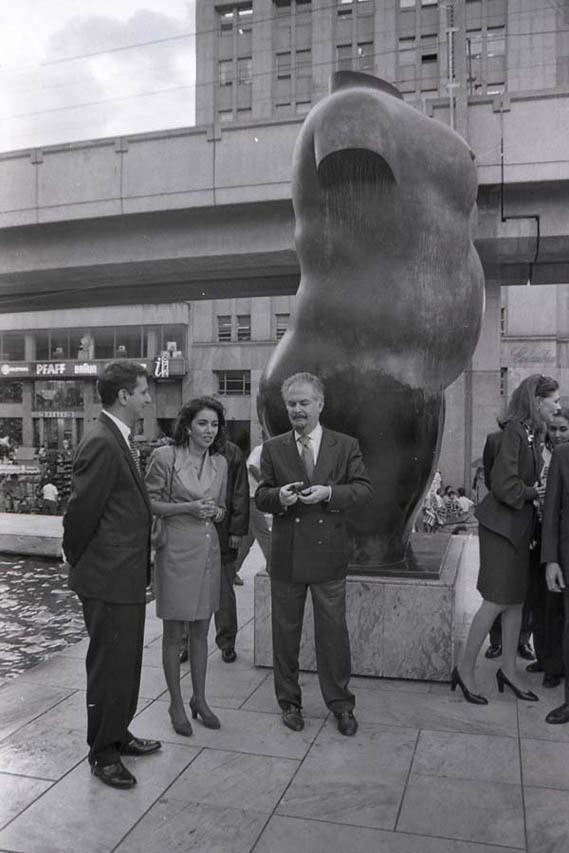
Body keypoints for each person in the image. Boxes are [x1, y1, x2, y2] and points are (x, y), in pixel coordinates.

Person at [256, 372, 372, 736]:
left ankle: (341, 705)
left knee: (333, 635)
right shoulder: (273, 448)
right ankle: (289, 702)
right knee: (285, 635)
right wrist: (280, 498)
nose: (297, 410)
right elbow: (261, 495)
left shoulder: (346, 445)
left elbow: (364, 490)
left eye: (304, 403)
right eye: (291, 404)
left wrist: (329, 494)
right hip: (287, 557)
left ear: (320, 404)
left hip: (329, 558)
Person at [63, 361, 160, 790]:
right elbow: (81, 512)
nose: (148, 398)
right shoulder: (103, 442)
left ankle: (118, 734)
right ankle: (103, 754)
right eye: (143, 391)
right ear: (123, 395)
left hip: (122, 576)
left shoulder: (117, 438)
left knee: (125, 664)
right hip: (107, 578)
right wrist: (75, 558)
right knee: (109, 666)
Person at [452, 374, 560, 705]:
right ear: (537, 401)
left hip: (516, 528)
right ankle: (464, 669)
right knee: (497, 601)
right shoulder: (515, 430)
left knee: (515, 602)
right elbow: (504, 484)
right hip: (502, 529)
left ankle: (509, 670)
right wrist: (535, 492)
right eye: (553, 400)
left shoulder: (533, 433)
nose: (558, 406)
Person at [145, 398, 228, 737]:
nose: (210, 431)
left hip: (208, 551)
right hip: (176, 552)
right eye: (203, 424)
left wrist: (216, 513)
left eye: (215, 425)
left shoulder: (221, 462)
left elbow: (221, 507)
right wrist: (189, 508)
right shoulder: (165, 457)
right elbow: (147, 502)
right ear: (187, 426)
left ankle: (200, 699)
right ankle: (175, 704)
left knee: (201, 631)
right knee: (173, 634)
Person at [532, 409, 569, 713]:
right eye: (553, 429)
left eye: (563, 428)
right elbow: (553, 512)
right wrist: (551, 560)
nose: (557, 434)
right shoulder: (561, 457)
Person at [234, 441, 272, 578]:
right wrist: (264, 483)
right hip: (251, 498)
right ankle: (273, 566)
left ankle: (232, 571)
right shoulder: (261, 448)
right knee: (265, 535)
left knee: (247, 541)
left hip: (256, 499)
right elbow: (251, 466)